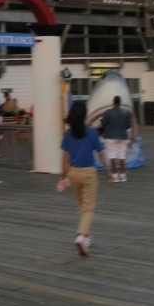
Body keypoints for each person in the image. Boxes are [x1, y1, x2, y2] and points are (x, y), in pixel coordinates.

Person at [57, 101, 108, 256]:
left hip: (73, 173)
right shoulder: (91, 132)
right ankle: (81, 235)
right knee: (89, 207)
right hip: (88, 173)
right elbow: (100, 152)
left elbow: (65, 156)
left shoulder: (68, 133)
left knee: (81, 206)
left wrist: (63, 174)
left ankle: (86, 237)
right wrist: (109, 171)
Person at [100, 96, 137, 182]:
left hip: (110, 136)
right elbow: (128, 126)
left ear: (113, 102)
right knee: (122, 155)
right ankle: (123, 175)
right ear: (120, 103)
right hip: (122, 136)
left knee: (112, 155)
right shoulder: (125, 113)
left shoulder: (108, 112)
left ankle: (115, 174)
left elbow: (103, 123)